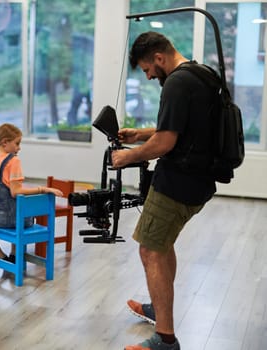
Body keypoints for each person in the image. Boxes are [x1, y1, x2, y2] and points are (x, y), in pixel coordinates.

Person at [112, 32, 217, 350]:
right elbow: (180, 129)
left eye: (147, 69)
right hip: (200, 179)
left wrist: (126, 156)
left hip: (178, 182)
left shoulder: (175, 83)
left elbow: (166, 143)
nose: (147, 75)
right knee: (162, 243)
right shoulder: (202, 74)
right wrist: (139, 134)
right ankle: (159, 309)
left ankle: (166, 339)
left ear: (159, 58)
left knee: (151, 249)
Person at [0, 123, 63, 262]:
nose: (19, 148)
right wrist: (43, 189)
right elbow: (15, 192)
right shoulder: (13, 161)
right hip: (20, 221)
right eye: (17, 143)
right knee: (18, 210)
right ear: (5, 142)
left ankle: (3, 257)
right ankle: (14, 254)